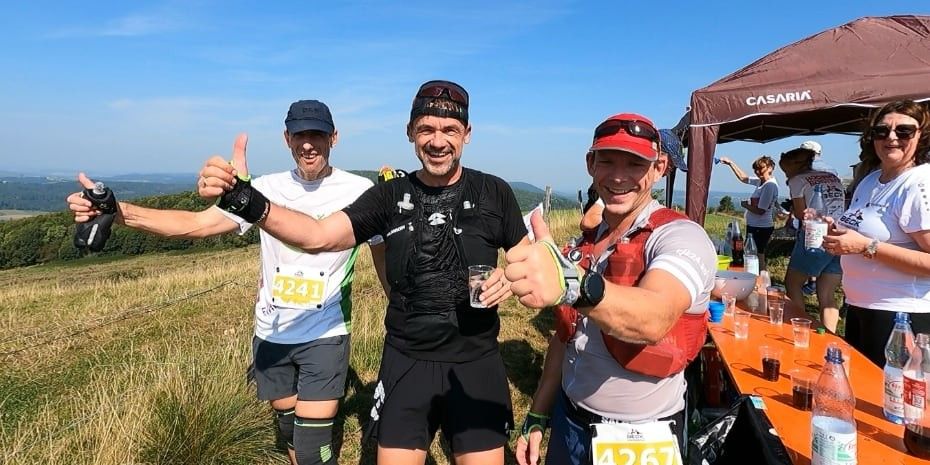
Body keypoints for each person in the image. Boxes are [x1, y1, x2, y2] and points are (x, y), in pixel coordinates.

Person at [197, 80, 526, 465]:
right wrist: (245, 200)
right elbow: (318, 236)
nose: (438, 141)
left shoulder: (494, 192)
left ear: (466, 134)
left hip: (476, 360)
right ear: (410, 132)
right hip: (407, 359)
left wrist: (511, 277)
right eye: (426, 129)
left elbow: (527, 259)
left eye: (450, 130)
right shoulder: (387, 196)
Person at [66, 100, 387, 465]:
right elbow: (196, 225)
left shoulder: (360, 190)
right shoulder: (264, 188)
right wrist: (118, 211)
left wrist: (400, 312)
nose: (308, 144)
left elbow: (383, 253)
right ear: (287, 139)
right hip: (271, 333)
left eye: (318, 134)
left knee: (313, 447)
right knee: (289, 430)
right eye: (300, 135)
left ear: (334, 138)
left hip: (326, 331)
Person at [505, 114, 716, 465]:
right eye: (607, 161)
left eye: (635, 164)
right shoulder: (589, 241)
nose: (618, 176)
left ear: (659, 168)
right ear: (590, 164)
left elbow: (654, 317)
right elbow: (564, 336)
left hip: (639, 438)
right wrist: (539, 412)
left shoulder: (681, 237)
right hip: (570, 421)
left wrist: (571, 284)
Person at [822, 100, 930, 367]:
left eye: (904, 131)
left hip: (901, 315)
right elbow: (866, 231)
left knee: (889, 392)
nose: (891, 137)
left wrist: (866, 247)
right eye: (881, 131)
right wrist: (839, 236)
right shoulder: (871, 180)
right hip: (861, 307)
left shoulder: (919, 183)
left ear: (921, 136)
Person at [779, 144, 846, 332]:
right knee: (827, 294)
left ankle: (798, 328)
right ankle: (829, 336)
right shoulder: (832, 177)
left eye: (784, 169)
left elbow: (802, 214)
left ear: (793, 165)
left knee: (793, 283)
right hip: (840, 235)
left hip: (814, 236)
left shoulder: (797, 180)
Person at [579, 129, 687, 232]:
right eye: (670, 165)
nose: (669, 170)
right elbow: (588, 222)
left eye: (672, 167)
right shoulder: (616, 188)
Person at [717, 155, 779, 270]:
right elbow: (743, 178)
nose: (757, 172)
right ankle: (757, 276)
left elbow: (760, 210)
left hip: (761, 227)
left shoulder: (769, 186)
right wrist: (730, 163)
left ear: (770, 168)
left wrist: (745, 205)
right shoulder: (761, 182)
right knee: (754, 256)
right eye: (755, 169)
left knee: (758, 256)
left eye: (761, 168)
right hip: (755, 226)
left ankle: (762, 278)